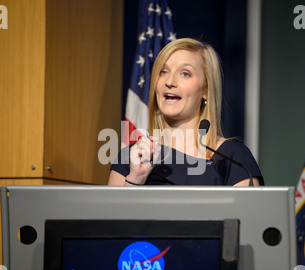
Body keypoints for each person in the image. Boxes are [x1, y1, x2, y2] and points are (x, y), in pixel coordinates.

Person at [108, 38, 264, 186]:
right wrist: (135, 179)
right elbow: (110, 214)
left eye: (185, 74)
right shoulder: (131, 158)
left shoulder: (233, 158)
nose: (169, 82)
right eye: (163, 72)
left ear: (206, 90)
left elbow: (248, 214)